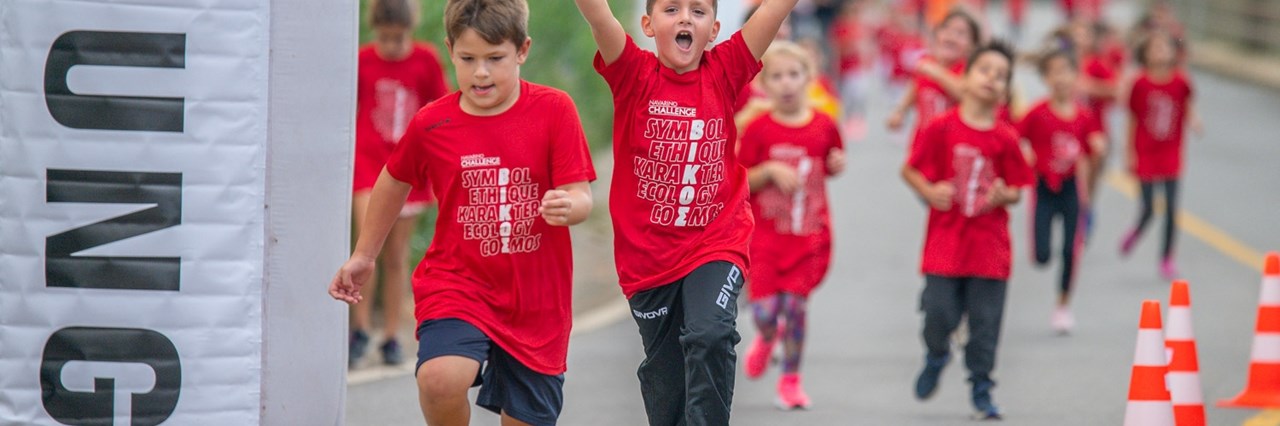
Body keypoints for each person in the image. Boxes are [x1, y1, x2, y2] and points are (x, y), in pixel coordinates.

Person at [329, 1, 597, 424]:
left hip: (536, 301)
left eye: (495, 59)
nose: (481, 73)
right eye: (468, 59)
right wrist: (364, 255)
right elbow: (393, 180)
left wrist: (572, 206)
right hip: (458, 282)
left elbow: (580, 193)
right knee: (439, 378)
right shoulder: (432, 123)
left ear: (522, 50)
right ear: (450, 49)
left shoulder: (554, 110)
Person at [572, 0, 797, 423]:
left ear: (713, 29)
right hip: (648, 261)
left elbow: (773, 12)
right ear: (647, 25)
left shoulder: (725, 69)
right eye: (671, 9)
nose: (684, 19)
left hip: (717, 241)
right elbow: (598, 14)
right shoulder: (632, 73)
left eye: (698, 11)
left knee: (710, 333)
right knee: (668, 379)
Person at [901, 39, 1031, 420]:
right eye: (985, 70)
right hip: (944, 245)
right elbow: (909, 169)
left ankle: (982, 388)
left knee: (985, 326)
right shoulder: (941, 127)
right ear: (966, 75)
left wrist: (1004, 194)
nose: (992, 79)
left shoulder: (1005, 137)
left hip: (990, 251)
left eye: (1002, 76)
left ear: (1007, 89)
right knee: (938, 314)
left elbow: (1019, 188)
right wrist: (929, 190)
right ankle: (937, 353)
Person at [737, 41, 846, 410]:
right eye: (776, 77)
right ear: (764, 85)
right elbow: (737, 182)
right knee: (766, 312)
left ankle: (790, 381)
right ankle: (768, 337)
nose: (785, 84)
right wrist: (767, 171)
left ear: (809, 80)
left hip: (809, 235)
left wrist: (836, 165)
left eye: (793, 75)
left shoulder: (824, 125)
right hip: (765, 238)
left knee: (797, 308)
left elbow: (829, 162)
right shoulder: (758, 130)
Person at [348, 0, 451, 369]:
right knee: (366, 248)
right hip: (368, 164)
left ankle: (391, 334)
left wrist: (440, 173)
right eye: (385, 37)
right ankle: (359, 329)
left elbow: (440, 113)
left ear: (411, 29)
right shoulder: (362, 60)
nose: (391, 45)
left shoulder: (424, 60)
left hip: (409, 169)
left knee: (395, 257)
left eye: (399, 36)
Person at [1017, 48, 1106, 334]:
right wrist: (1025, 158)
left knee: (1071, 249)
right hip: (1044, 186)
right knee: (1042, 255)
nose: (1061, 78)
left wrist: (1098, 149)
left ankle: (1063, 305)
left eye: (1066, 71)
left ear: (1075, 77)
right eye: (1054, 71)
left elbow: (1094, 142)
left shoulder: (1083, 115)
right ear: (1046, 78)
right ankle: (1043, 255)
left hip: (1070, 189)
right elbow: (1015, 140)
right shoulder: (1037, 112)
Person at [1120, 31, 1201, 279]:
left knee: (1171, 208)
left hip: (1171, 152)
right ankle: (1137, 229)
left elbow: (1186, 104)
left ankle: (1166, 258)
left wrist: (1194, 120)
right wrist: (1129, 153)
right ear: (1145, 54)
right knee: (1148, 207)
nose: (1160, 53)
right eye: (1155, 48)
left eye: (1165, 48)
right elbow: (1132, 118)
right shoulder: (1140, 83)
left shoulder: (1181, 81)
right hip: (1145, 152)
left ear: (1173, 53)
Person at [887, 10, 981, 151]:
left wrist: (937, 72)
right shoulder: (926, 63)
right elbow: (915, 86)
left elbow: (965, 95)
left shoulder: (968, 70)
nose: (951, 35)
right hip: (923, 141)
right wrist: (900, 111)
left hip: (954, 145)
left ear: (972, 46)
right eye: (946, 29)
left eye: (961, 33)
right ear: (936, 35)